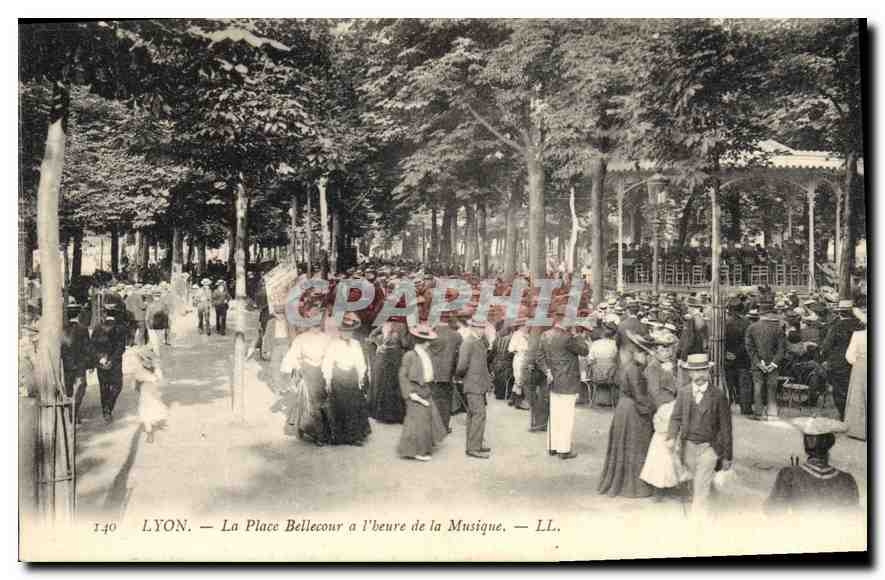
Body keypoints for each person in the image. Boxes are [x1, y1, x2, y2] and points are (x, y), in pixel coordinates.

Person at [666, 353, 733, 515]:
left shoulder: (718, 396)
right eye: (695, 371)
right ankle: (706, 502)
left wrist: (727, 456)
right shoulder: (684, 393)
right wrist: (671, 437)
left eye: (703, 371)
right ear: (689, 373)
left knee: (701, 485)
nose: (700, 375)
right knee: (696, 481)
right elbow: (676, 417)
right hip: (688, 446)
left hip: (709, 447)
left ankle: (697, 519)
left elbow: (726, 428)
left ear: (708, 372)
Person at [598, 330, 656, 498]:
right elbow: (639, 396)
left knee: (625, 446)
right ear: (635, 353)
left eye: (646, 353)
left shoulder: (628, 367)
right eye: (643, 353)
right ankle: (634, 486)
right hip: (632, 411)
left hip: (623, 408)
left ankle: (623, 482)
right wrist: (652, 412)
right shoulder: (635, 370)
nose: (646, 357)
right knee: (636, 445)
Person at [765, 417, 859, 515]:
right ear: (830, 444)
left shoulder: (789, 475)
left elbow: (773, 512)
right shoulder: (847, 480)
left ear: (805, 445)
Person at [639, 332, 688, 498]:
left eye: (670, 349)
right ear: (655, 351)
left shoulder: (667, 366)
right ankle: (660, 485)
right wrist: (668, 409)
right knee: (663, 447)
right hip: (662, 411)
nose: (669, 353)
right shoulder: (652, 368)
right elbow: (654, 394)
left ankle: (672, 482)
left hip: (672, 407)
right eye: (664, 349)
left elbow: (677, 387)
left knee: (674, 447)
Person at [538, 307, 589, 460]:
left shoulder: (545, 335)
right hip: (568, 380)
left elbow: (539, 356)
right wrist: (578, 335)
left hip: (553, 379)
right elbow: (584, 351)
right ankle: (564, 449)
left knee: (555, 414)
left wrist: (547, 371)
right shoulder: (568, 338)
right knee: (566, 416)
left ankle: (552, 446)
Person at [279, 310, 333, 446]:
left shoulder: (323, 338)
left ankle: (322, 432)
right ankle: (320, 434)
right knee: (314, 402)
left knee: (318, 402)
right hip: (311, 373)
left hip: (320, 372)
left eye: (317, 324)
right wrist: (297, 367)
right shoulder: (304, 339)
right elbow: (292, 357)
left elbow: (331, 357)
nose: (316, 327)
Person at [397, 324, 448, 461]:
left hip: (425, 389)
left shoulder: (427, 353)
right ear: (422, 342)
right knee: (417, 422)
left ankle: (424, 446)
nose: (428, 344)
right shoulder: (409, 355)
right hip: (414, 391)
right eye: (426, 341)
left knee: (428, 418)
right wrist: (410, 393)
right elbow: (402, 376)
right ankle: (416, 451)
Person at [321, 315, 371, 446]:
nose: (347, 334)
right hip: (338, 377)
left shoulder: (356, 344)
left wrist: (361, 377)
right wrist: (328, 380)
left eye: (349, 331)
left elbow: (360, 362)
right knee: (340, 406)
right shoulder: (334, 344)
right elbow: (327, 362)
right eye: (345, 331)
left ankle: (354, 436)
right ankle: (339, 435)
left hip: (352, 376)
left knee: (354, 406)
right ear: (340, 331)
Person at [456, 317, 493, 459]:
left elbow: (486, 352)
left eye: (483, 328)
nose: (482, 330)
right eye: (479, 327)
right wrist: (461, 377)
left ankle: (474, 444)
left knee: (474, 415)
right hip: (473, 384)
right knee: (479, 414)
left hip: (479, 384)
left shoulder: (479, 341)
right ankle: (473, 448)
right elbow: (461, 366)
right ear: (472, 328)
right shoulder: (468, 342)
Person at [745, 300, 785, 420]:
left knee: (758, 388)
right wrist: (774, 363)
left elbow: (749, 348)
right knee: (772, 387)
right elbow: (782, 349)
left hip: (757, 363)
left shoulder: (752, 328)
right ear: (770, 313)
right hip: (773, 364)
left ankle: (759, 413)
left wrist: (758, 362)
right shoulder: (779, 328)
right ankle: (772, 413)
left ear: (760, 313)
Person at [820, 300, 860, 420]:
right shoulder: (860, 325)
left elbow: (826, 346)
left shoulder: (836, 326)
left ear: (840, 312)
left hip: (839, 364)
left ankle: (844, 416)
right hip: (858, 362)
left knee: (840, 391)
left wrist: (824, 357)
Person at [90, 301, 129, 423]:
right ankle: (109, 408)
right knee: (117, 385)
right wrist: (111, 360)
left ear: (105, 314)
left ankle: (105, 411)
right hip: (115, 362)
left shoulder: (97, 328)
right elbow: (121, 348)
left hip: (101, 361)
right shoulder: (121, 328)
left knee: (104, 386)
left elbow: (92, 346)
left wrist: (99, 359)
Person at [427, 313, 463, 432]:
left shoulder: (430, 333)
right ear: (449, 320)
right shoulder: (456, 336)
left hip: (430, 373)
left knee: (431, 399)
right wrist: (457, 374)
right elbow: (460, 357)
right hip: (448, 374)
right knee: (446, 401)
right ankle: (444, 427)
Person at [367, 320, 409, 423]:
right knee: (393, 384)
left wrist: (379, 344)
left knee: (384, 384)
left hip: (386, 356)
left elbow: (371, 336)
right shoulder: (402, 326)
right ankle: (394, 415)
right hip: (393, 357)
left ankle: (382, 414)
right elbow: (405, 343)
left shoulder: (385, 324)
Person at [61, 302, 92, 423]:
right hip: (80, 364)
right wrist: (90, 364)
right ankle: (75, 410)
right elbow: (87, 348)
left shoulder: (61, 329)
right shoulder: (83, 329)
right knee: (81, 387)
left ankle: (70, 411)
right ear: (79, 314)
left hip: (66, 365)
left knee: (68, 388)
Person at [132, 346, 168, 443]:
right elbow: (135, 384)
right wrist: (139, 385)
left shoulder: (156, 370)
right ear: (141, 361)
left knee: (154, 411)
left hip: (154, 395)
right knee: (146, 414)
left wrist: (155, 379)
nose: (147, 362)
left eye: (149, 360)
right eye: (144, 360)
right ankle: (149, 433)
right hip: (145, 396)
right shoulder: (140, 370)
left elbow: (161, 380)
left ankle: (151, 427)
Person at [724, 301, 753, 414]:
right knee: (744, 384)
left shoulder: (725, 322)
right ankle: (745, 408)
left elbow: (721, 341)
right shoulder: (747, 323)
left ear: (730, 310)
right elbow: (747, 343)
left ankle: (726, 407)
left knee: (729, 384)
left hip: (728, 357)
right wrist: (737, 354)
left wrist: (727, 353)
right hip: (743, 358)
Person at [843, 308, 866, 440]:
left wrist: (857, 363)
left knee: (858, 397)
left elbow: (849, 355)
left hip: (861, 366)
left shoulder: (858, 335)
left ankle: (859, 430)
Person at [145, 290, 169, 356]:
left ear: (153, 296)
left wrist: (147, 325)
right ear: (160, 296)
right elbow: (166, 315)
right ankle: (159, 353)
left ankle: (156, 353)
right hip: (161, 325)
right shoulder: (164, 305)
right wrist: (166, 325)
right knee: (160, 340)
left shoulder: (150, 305)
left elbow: (147, 316)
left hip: (151, 325)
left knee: (154, 340)